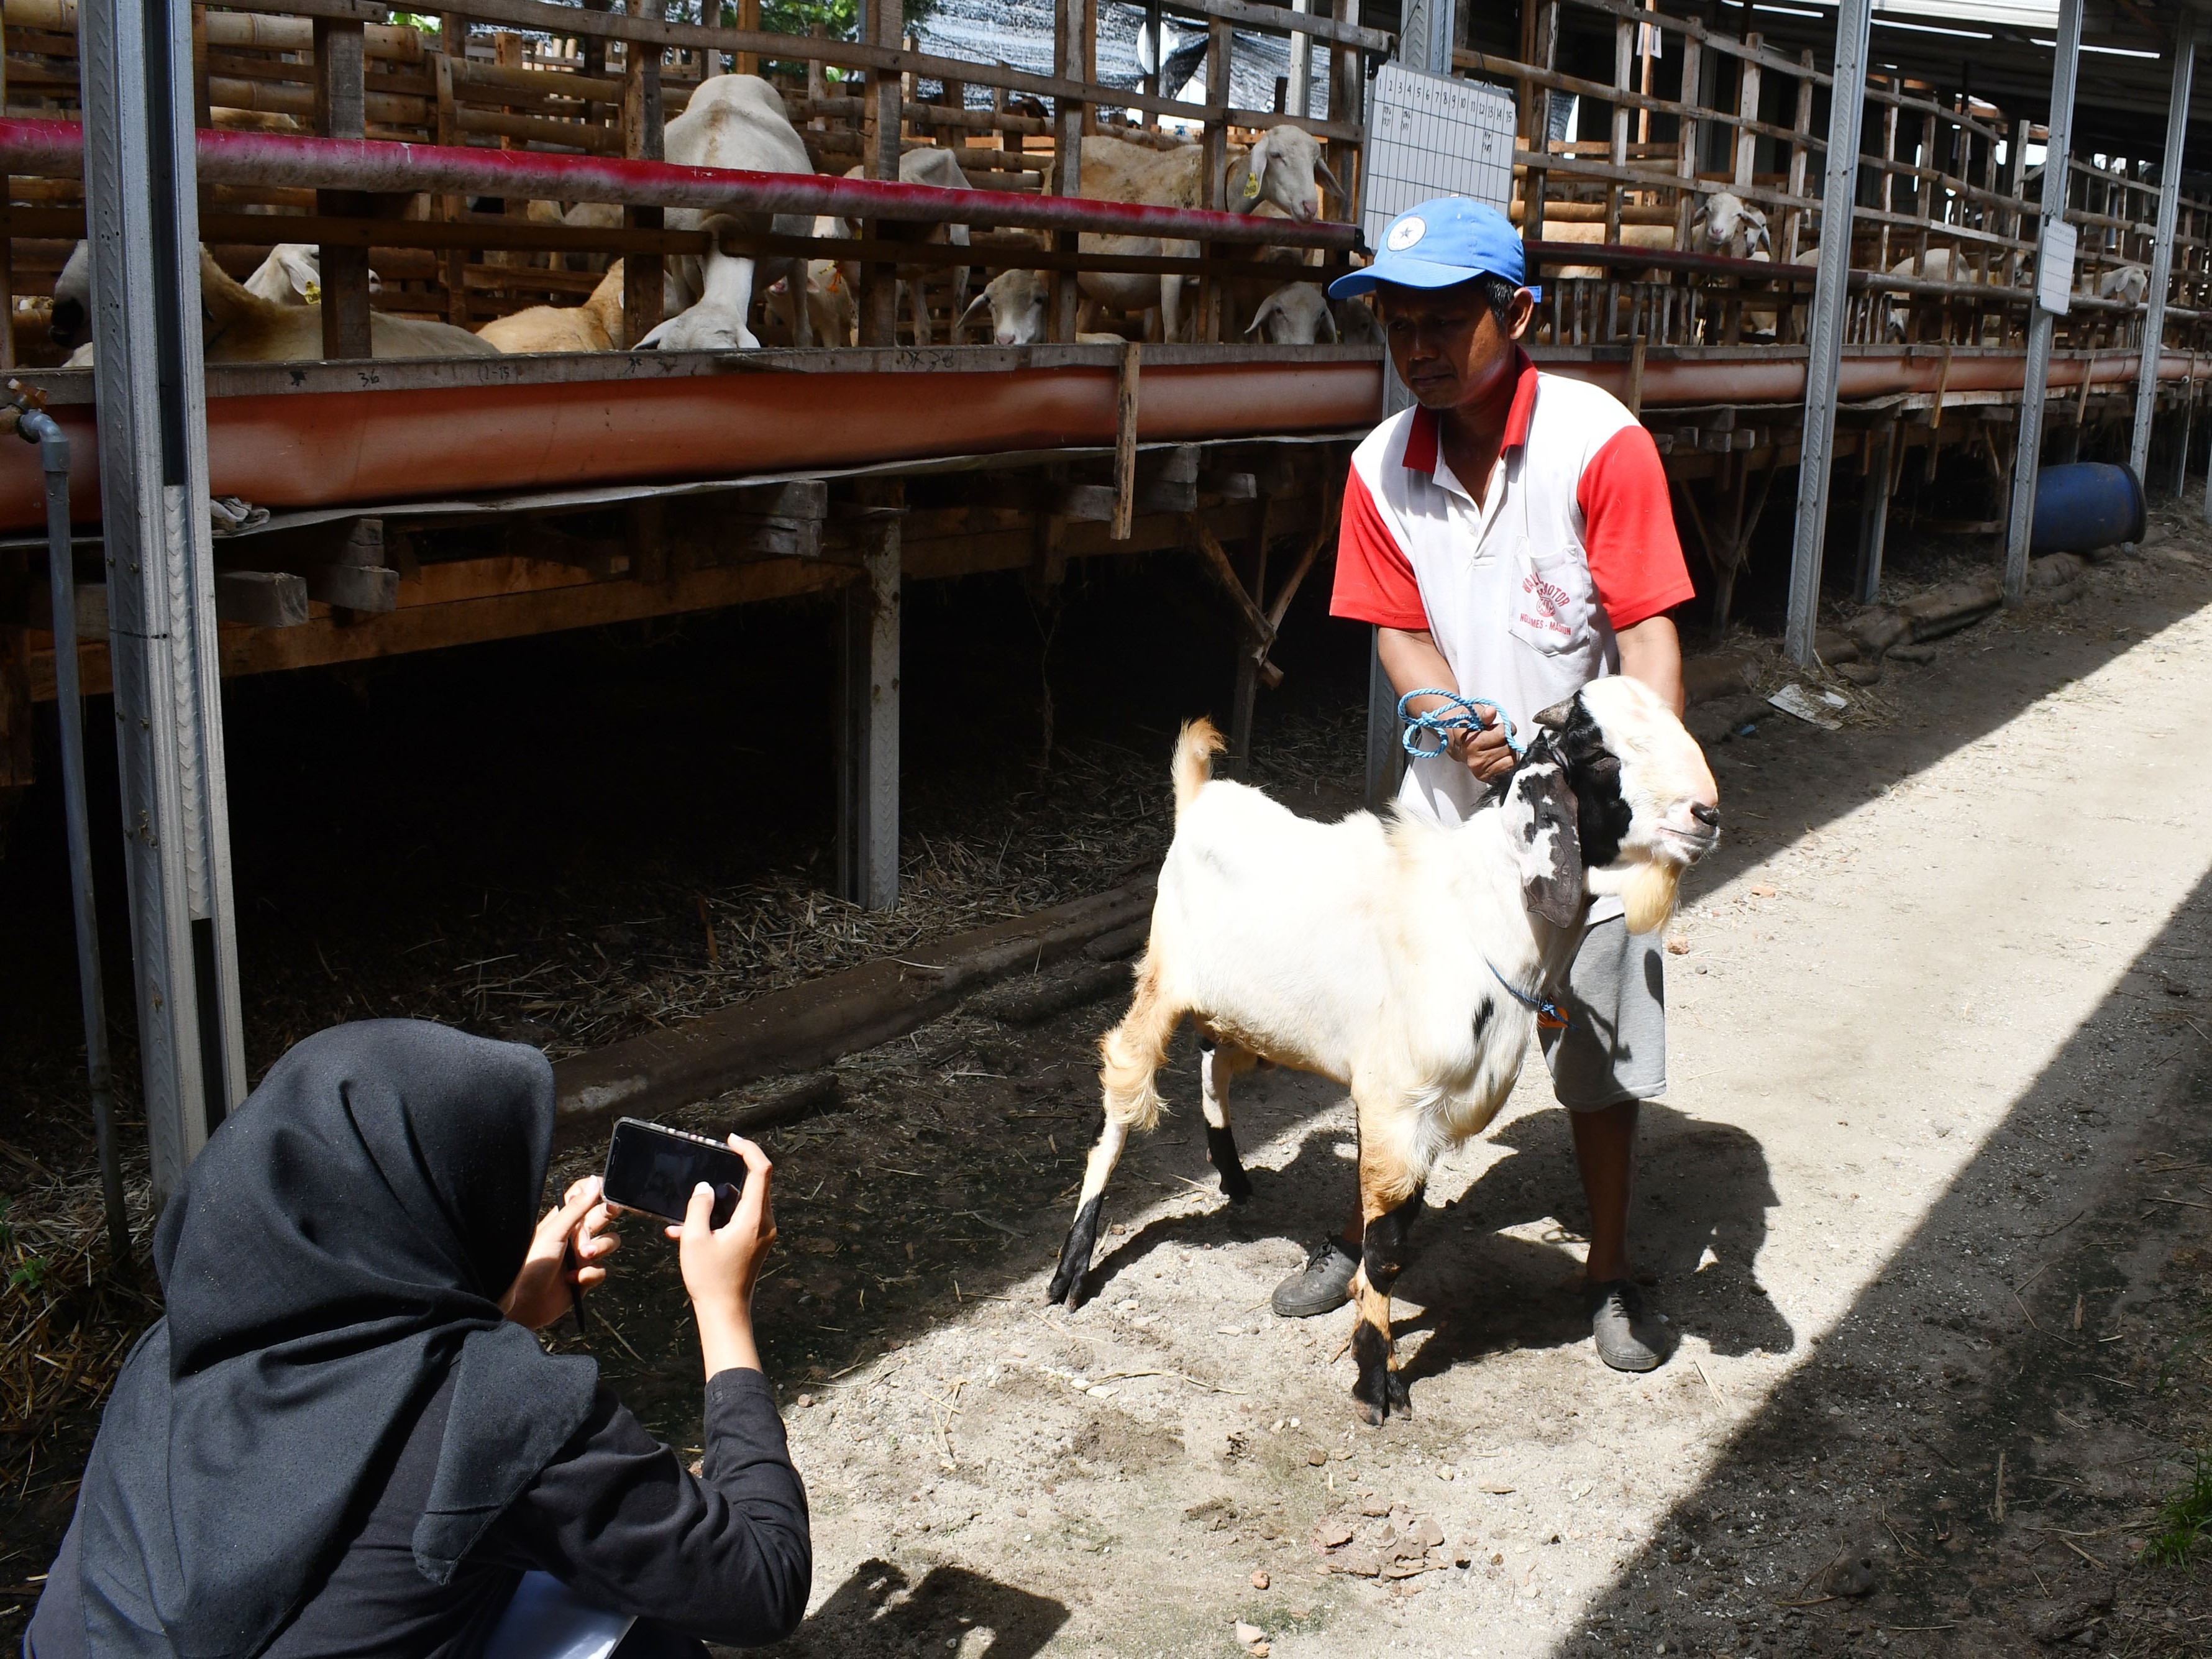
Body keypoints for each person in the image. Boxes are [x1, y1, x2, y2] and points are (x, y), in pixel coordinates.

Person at [1266, 197, 1696, 1373]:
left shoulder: (1598, 443)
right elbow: (1399, 631)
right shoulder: (1377, 467)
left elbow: (1648, 630)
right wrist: (1451, 723)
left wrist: (1637, 778)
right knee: (1403, 1030)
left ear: (1520, 314)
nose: (1418, 346)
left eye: (1447, 319)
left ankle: (1609, 1269)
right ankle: (1373, 1232)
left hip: (1584, 816)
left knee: (1598, 1040)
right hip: (1452, 815)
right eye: (1397, 322)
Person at [27, 1020, 809, 1659]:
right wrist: (722, 1306)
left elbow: (354, 1428)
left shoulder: (175, 1350)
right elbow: (762, 1583)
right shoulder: (497, 1410)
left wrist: (495, 1306)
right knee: (644, 1633)